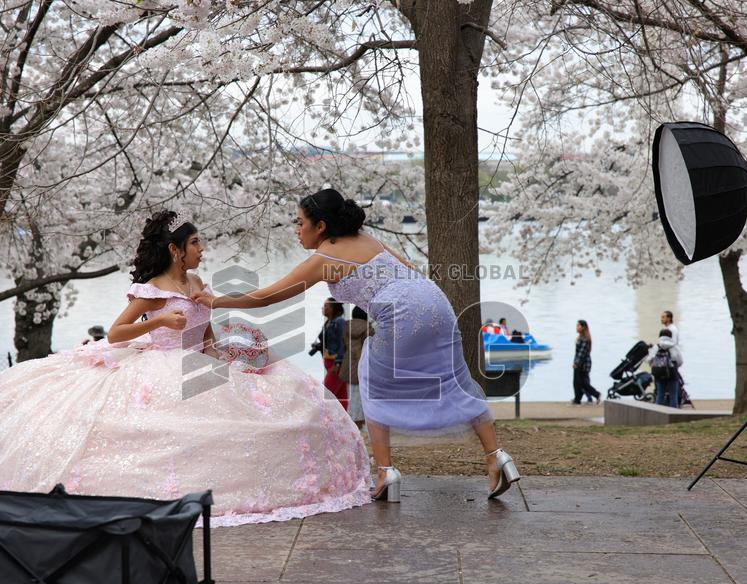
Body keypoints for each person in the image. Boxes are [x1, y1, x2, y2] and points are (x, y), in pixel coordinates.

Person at [0, 211, 371, 526]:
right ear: (177, 249)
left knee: (270, 402)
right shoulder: (148, 291)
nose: (202, 250)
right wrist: (160, 319)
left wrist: (232, 351)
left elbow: (208, 335)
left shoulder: (197, 280)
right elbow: (116, 333)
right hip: (155, 367)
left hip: (198, 364)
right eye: (196, 243)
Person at [190, 188, 520, 502]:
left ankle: (386, 473)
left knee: (370, 378)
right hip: (435, 301)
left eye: (300, 222)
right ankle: (498, 456)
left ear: (321, 226)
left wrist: (215, 301)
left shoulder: (322, 259)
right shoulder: (368, 239)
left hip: (403, 311)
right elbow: (406, 269)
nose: (295, 229)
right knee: (454, 380)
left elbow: (267, 296)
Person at [341, 306, 373, 429]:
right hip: (362, 363)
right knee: (362, 395)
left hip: (348, 363)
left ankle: (351, 421)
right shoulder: (368, 328)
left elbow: (342, 345)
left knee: (350, 394)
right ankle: (360, 422)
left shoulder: (345, 326)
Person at [320, 298, 347, 409]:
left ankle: (323, 422)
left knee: (325, 394)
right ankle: (344, 422)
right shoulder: (328, 323)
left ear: (332, 308)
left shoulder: (339, 322)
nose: (323, 308)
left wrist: (338, 363)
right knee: (341, 395)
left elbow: (344, 344)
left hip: (336, 364)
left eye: (326, 306)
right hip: (330, 362)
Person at [650, 328, 683, 408]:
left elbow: (650, 360)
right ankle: (673, 414)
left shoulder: (656, 346)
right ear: (670, 336)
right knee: (673, 394)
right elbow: (680, 361)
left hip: (659, 373)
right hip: (672, 373)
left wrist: (658, 366)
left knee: (660, 394)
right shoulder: (673, 347)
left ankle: (657, 413)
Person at [571, 320, 600, 405]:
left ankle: (597, 395)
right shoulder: (580, 338)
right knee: (578, 383)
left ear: (583, 327)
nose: (576, 327)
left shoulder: (585, 339)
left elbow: (581, 353)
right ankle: (577, 399)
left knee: (581, 383)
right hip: (581, 363)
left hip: (582, 364)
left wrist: (576, 363)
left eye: (578, 326)